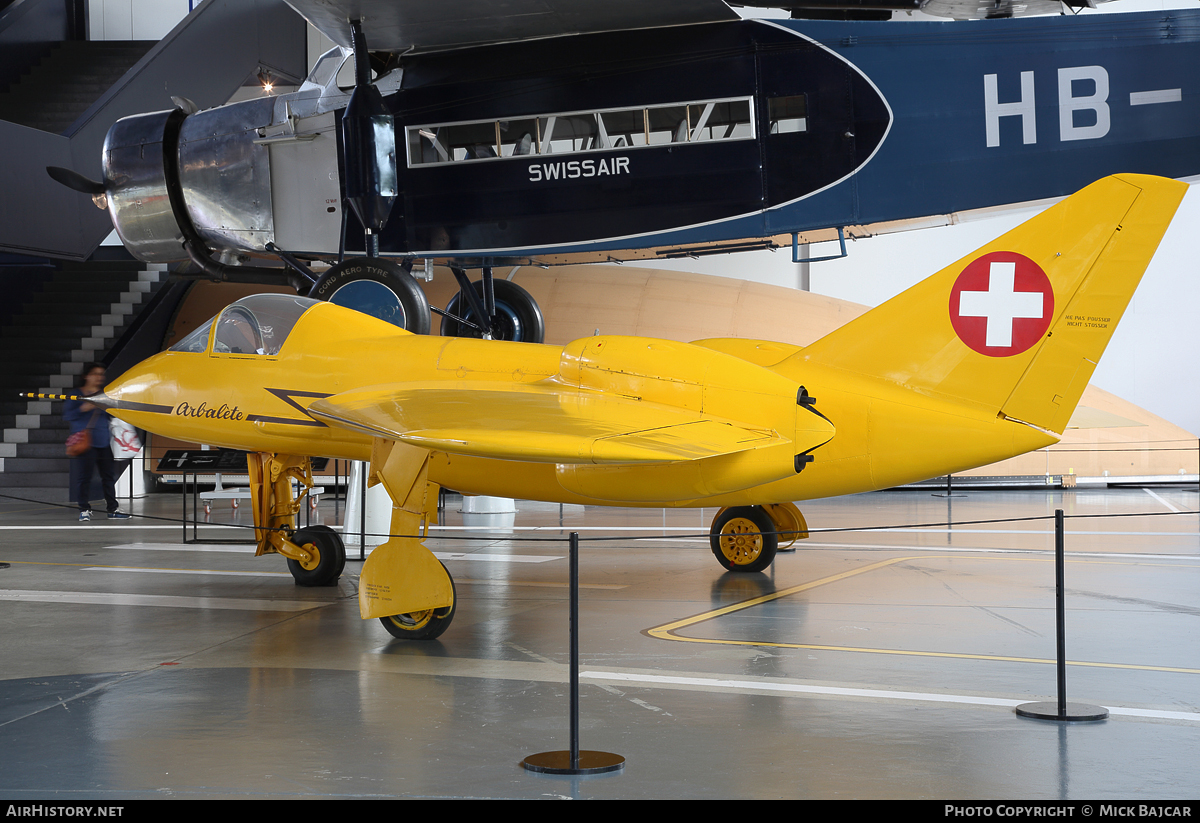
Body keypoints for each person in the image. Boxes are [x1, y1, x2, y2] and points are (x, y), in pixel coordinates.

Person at [63, 363, 130, 522]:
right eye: (95, 374)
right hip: (86, 443)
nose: (99, 377)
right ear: (86, 376)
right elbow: (67, 416)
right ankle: (84, 509)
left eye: (101, 374)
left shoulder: (103, 394)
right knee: (84, 477)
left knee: (108, 477)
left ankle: (112, 509)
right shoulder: (76, 395)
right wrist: (84, 408)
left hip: (103, 441)